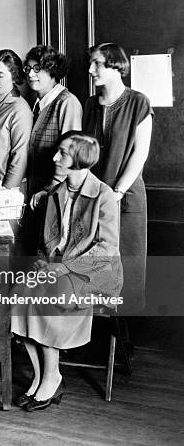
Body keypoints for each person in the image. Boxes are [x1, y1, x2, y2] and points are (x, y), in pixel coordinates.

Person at [12, 131, 122, 412]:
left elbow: (107, 249)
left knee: (48, 296)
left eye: (62, 153)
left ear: (81, 160)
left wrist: (63, 267)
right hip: (57, 267)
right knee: (18, 296)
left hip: (93, 272)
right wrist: (42, 263)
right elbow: (45, 242)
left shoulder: (104, 195)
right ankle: (41, 377)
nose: (54, 157)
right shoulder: (55, 193)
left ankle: (53, 376)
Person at [83, 42, 153, 313]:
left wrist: (118, 192)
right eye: (91, 63)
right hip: (95, 197)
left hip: (125, 197)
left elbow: (140, 153)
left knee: (128, 266)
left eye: (97, 63)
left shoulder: (138, 102)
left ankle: (122, 335)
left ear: (115, 65)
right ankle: (95, 335)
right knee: (93, 264)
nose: (91, 69)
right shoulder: (89, 104)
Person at [24, 45, 82, 199]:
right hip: (35, 191)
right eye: (28, 68)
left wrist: (49, 189)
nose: (30, 74)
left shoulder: (67, 102)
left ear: (52, 70)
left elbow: (70, 155)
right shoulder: (35, 104)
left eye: (37, 68)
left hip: (53, 193)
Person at [0, 49, 32, 190]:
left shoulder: (19, 109)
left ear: (14, 76)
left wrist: (6, 194)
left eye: (0, 75)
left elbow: (20, 159)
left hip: (6, 190)